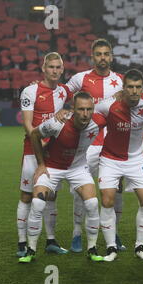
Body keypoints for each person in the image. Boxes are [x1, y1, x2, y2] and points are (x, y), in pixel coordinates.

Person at [19, 92, 106, 263]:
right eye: (81, 109)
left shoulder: (99, 121)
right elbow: (35, 135)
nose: (85, 114)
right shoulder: (58, 123)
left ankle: (92, 249)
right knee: (37, 203)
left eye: (89, 109)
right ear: (73, 109)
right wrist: (41, 164)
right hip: (52, 167)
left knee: (92, 203)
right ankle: (30, 250)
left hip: (78, 168)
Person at [64, 38, 126, 252]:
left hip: (113, 145)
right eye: (98, 54)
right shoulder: (80, 78)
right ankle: (77, 234)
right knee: (81, 191)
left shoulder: (121, 80)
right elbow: (60, 92)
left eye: (106, 54)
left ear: (111, 56)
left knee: (116, 191)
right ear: (93, 56)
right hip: (86, 145)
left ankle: (114, 233)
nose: (103, 58)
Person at [96, 69, 143, 261]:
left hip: (136, 160)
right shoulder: (107, 105)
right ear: (123, 88)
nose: (134, 91)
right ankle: (111, 247)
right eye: (130, 87)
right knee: (108, 200)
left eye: (138, 87)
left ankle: (140, 246)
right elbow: (86, 117)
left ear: (142, 88)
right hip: (110, 159)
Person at [16, 52, 70, 257]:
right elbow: (28, 125)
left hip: (54, 154)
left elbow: (82, 101)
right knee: (27, 196)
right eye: (51, 67)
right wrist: (42, 142)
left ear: (62, 70)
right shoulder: (30, 91)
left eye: (58, 67)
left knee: (51, 196)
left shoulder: (64, 91)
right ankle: (22, 243)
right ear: (43, 68)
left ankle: (51, 240)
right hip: (33, 150)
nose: (54, 71)